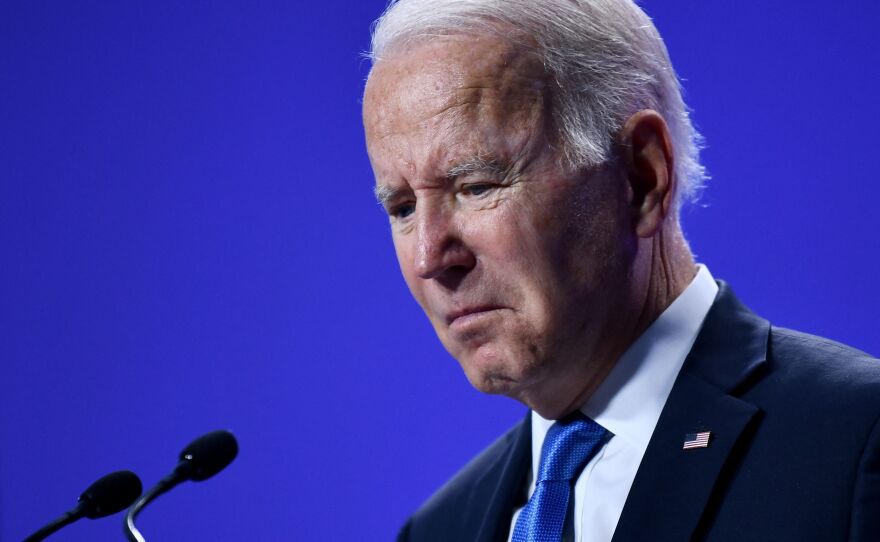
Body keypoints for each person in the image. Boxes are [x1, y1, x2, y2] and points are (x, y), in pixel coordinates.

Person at [361, 1, 880, 540]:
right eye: (402, 208)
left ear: (640, 176)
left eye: (476, 187)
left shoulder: (857, 443)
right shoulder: (439, 530)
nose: (429, 258)